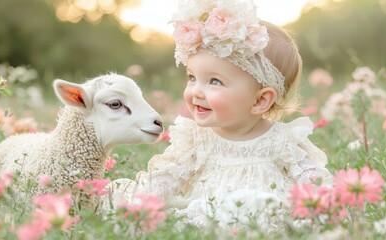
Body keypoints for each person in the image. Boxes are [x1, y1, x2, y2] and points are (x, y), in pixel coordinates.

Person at [103, 0, 332, 229]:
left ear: (260, 100)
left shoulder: (283, 141)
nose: (195, 92)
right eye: (192, 78)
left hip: (262, 222)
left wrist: (319, 204)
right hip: (206, 221)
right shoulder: (196, 140)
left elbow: (313, 180)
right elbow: (167, 177)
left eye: (214, 81)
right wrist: (145, 202)